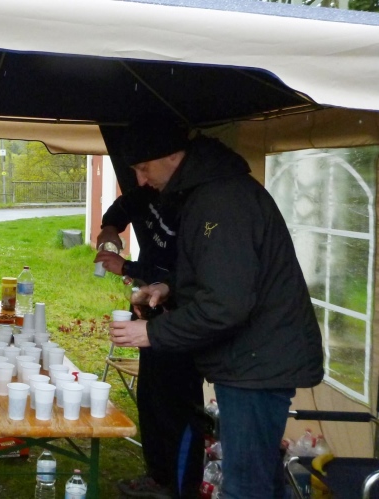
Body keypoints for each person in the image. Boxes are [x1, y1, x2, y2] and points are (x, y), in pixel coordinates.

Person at [108, 116, 324, 499]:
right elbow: (222, 270)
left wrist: (152, 332)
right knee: (262, 481)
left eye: (143, 168)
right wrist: (168, 286)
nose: (140, 180)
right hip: (252, 360)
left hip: (256, 365)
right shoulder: (208, 194)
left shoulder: (220, 201)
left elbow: (226, 304)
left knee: (245, 488)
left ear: (173, 156)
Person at [94, 176, 204, 498]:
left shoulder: (194, 206)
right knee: (150, 399)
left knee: (178, 408)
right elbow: (122, 208)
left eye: (144, 168)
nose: (141, 177)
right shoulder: (148, 190)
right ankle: (157, 477)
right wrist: (110, 229)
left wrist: (127, 267)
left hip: (183, 323)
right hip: (153, 314)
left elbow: (189, 279)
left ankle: (182, 488)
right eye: (136, 169)